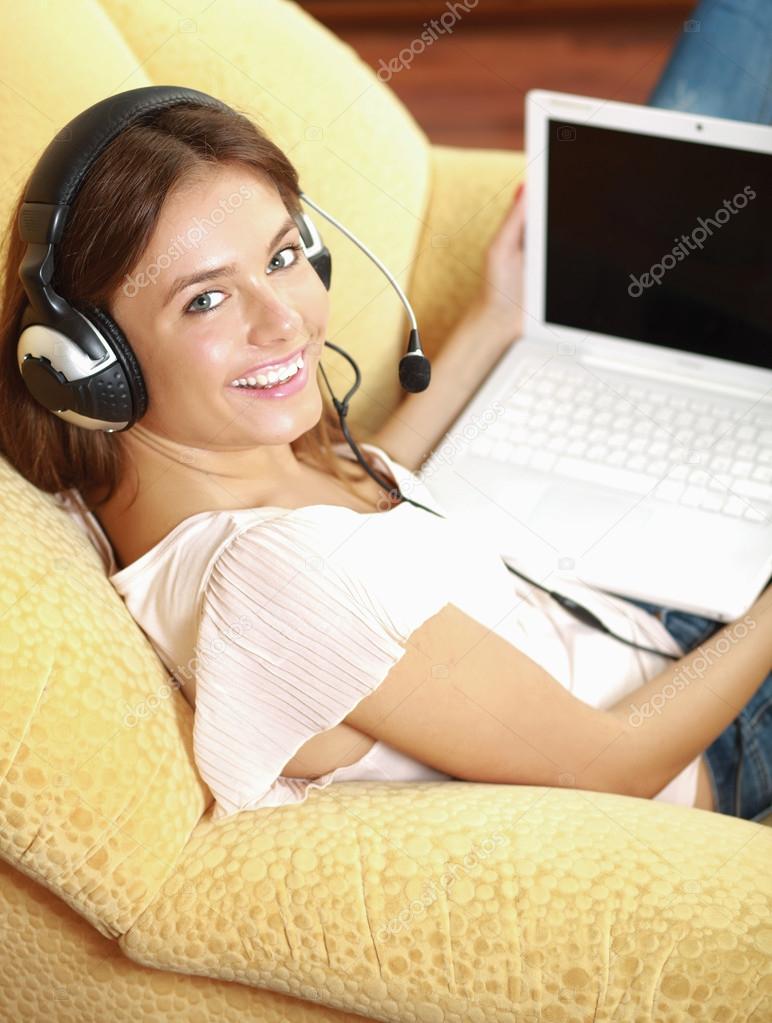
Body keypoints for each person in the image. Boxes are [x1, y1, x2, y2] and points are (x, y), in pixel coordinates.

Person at [1, 10, 770, 824]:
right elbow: (613, 766)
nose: (286, 322)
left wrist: (494, 317)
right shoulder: (279, 583)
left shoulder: (202, 472)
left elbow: (365, 500)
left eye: (284, 256)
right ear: (91, 361)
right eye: (207, 298)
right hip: (708, 741)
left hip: (629, 622)